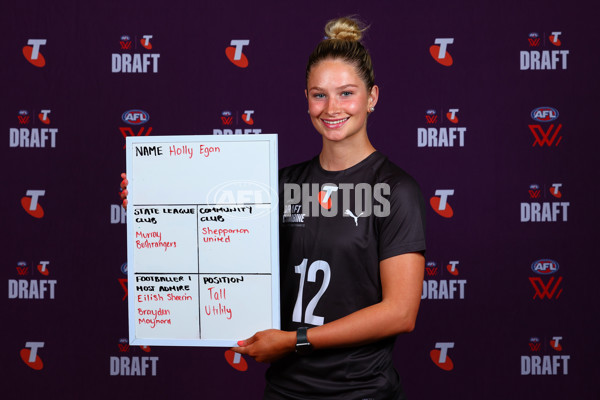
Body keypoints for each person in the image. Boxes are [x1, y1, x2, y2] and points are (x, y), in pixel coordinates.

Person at [121, 16, 426, 400]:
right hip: (285, 391)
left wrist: (295, 341)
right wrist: (153, 203)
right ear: (306, 100)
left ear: (372, 97)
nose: (331, 107)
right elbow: (215, 242)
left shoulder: (395, 189)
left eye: (346, 93)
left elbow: (400, 312)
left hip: (361, 392)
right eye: (319, 94)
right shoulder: (278, 185)